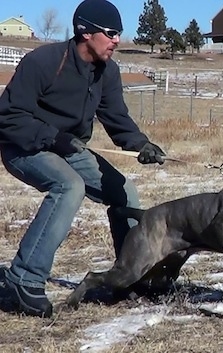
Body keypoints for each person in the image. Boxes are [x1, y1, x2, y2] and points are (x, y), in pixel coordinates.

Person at [0, 0, 165, 318]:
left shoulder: (108, 71)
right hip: (23, 147)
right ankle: (25, 277)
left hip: (69, 148)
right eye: (111, 33)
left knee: (125, 192)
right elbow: (8, 116)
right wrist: (52, 136)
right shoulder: (43, 62)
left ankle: (129, 275)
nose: (117, 40)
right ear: (85, 32)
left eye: (119, 33)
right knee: (69, 186)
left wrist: (140, 144)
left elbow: (117, 118)